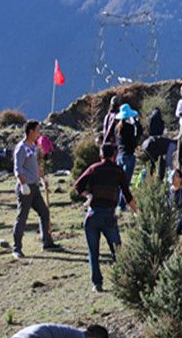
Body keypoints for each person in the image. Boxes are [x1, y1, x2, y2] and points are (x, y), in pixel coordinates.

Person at [74, 144, 137, 292]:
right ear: (114, 155)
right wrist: (137, 211)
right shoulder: (118, 171)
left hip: (92, 215)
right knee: (117, 251)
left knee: (93, 252)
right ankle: (123, 280)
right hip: (108, 216)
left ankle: (97, 284)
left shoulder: (94, 168)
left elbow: (78, 186)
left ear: (101, 155)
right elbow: (127, 195)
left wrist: (88, 195)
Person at [12, 121, 59, 258]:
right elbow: (17, 168)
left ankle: (47, 242)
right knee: (22, 217)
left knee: (44, 212)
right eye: (37, 130)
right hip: (25, 188)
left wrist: (42, 178)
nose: (39, 133)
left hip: (34, 186)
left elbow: (35, 165)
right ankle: (16, 248)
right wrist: (23, 184)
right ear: (31, 131)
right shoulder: (21, 148)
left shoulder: (32, 146)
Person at [115, 104, 142, 204]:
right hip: (129, 156)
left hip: (119, 156)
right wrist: (137, 123)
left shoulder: (116, 128)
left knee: (119, 181)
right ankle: (122, 203)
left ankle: (117, 201)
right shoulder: (130, 127)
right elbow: (134, 140)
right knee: (125, 183)